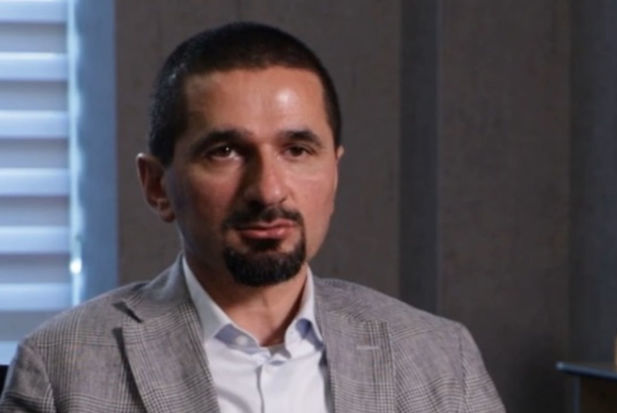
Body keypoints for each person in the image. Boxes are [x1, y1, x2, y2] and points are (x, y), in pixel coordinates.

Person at [0, 22, 504, 412]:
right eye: (225, 151)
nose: (268, 190)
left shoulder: (441, 358)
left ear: (334, 172)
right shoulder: (62, 368)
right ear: (157, 185)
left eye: (297, 150)